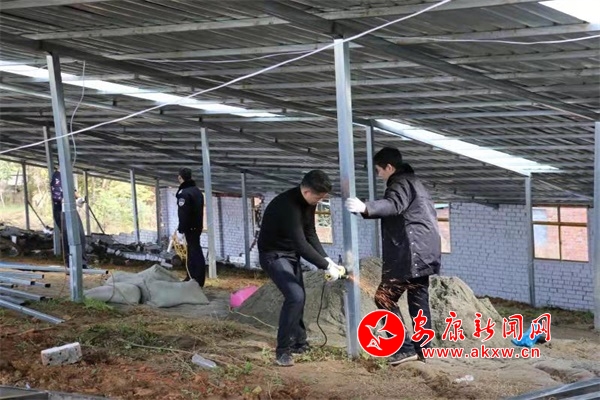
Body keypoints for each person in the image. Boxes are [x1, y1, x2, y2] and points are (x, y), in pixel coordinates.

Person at [345, 147, 441, 366]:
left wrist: (365, 207)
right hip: (425, 253)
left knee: (383, 297)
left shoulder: (400, 183)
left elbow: (393, 204)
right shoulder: (416, 183)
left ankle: (403, 348)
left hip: (410, 253)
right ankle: (424, 350)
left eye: (379, 170)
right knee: (418, 300)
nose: (379, 175)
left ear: (389, 167)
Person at [257, 170, 345, 367]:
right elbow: (301, 244)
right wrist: (324, 266)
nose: (319, 201)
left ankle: (299, 343)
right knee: (295, 296)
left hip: (290, 255)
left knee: (299, 298)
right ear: (306, 192)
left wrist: (327, 259)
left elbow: (310, 232)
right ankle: (282, 351)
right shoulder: (288, 206)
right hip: (273, 255)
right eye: (318, 197)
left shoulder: (308, 202)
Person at [50, 167, 88, 270]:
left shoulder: (67, 177)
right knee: (69, 236)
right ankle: (71, 263)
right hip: (62, 211)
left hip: (71, 209)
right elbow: (57, 198)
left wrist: (79, 199)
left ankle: (82, 262)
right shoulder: (57, 178)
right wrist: (74, 202)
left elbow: (73, 191)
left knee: (80, 234)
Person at [175, 167, 207, 287]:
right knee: (193, 251)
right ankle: (193, 277)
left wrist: (181, 229)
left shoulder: (184, 193)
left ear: (180, 177)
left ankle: (196, 278)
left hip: (189, 227)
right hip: (197, 226)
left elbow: (184, 213)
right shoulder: (197, 191)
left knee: (194, 252)